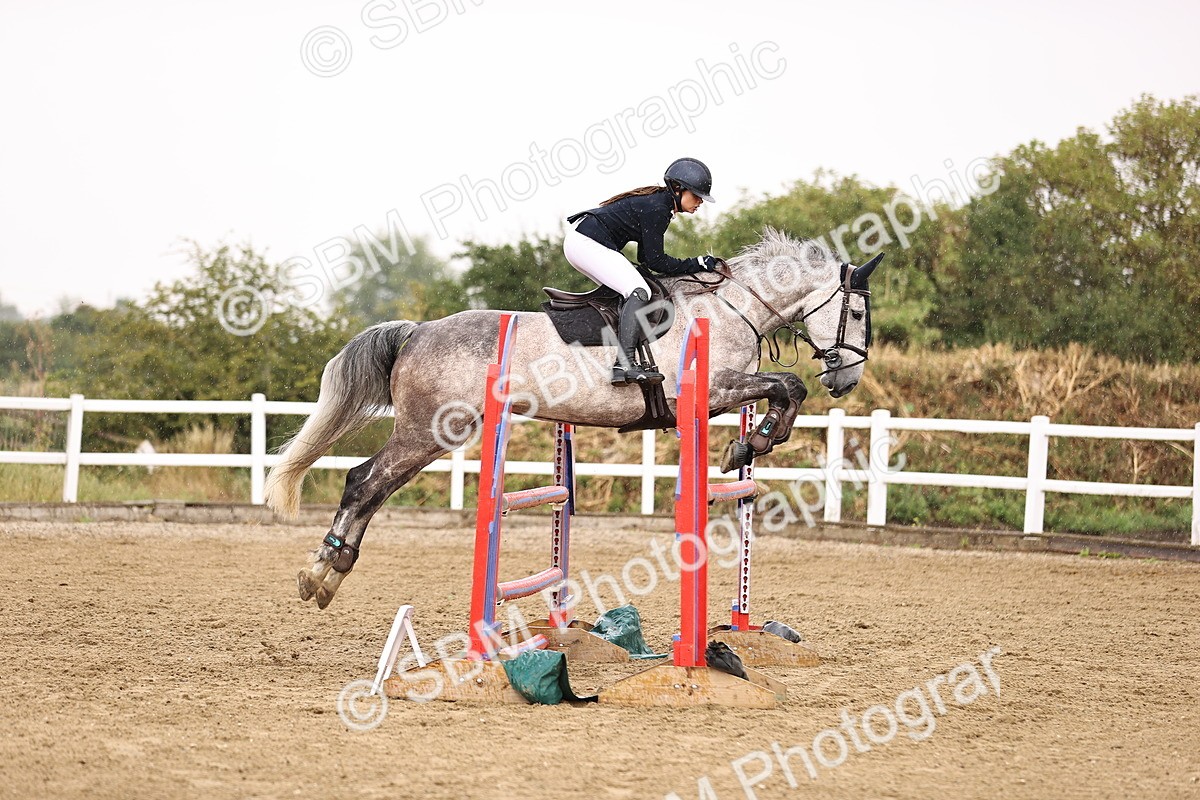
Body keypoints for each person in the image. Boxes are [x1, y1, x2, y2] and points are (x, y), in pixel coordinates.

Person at [564, 157, 721, 386]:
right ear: (678, 189)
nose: (700, 202)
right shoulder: (658, 208)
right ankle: (623, 364)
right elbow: (656, 261)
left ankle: (609, 353)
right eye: (696, 196)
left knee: (631, 288)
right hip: (586, 243)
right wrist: (697, 262)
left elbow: (646, 258)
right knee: (638, 291)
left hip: (582, 241)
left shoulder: (659, 204)